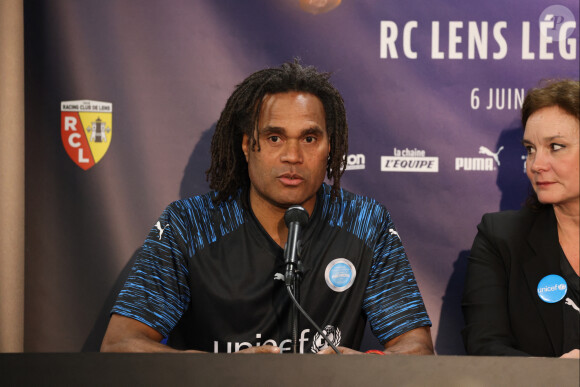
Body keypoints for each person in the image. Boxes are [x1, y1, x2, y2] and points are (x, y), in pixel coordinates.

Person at [101, 60, 433, 354]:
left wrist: (364, 367)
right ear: (248, 145)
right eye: (275, 138)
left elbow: (416, 347)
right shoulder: (189, 224)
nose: (293, 156)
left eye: (309, 138)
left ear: (329, 147)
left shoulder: (365, 222)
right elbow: (120, 345)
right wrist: (222, 371)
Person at [462, 79, 579, 358]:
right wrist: (557, 376)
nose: (536, 165)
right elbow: (485, 349)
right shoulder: (500, 238)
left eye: (556, 146)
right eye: (530, 149)